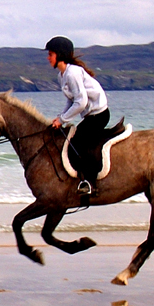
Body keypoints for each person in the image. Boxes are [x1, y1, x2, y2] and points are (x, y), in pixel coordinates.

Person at [45, 36, 109, 196]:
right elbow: (71, 100)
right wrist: (60, 117)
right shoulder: (62, 75)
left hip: (98, 114)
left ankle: (91, 184)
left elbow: (81, 102)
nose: (48, 58)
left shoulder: (72, 73)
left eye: (51, 54)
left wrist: (63, 119)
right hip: (90, 115)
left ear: (60, 55)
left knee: (79, 143)